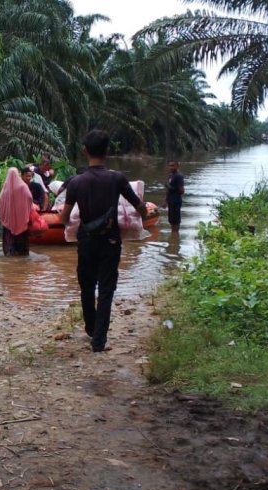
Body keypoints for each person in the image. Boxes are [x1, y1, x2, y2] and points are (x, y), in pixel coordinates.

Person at [61, 130, 146, 352]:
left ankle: (90, 327)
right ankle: (99, 340)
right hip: (110, 242)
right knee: (107, 289)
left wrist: (66, 223)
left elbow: (65, 216)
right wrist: (142, 214)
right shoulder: (117, 179)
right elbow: (138, 206)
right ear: (107, 151)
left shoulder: (76, 182)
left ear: (84, 151)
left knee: (86, 286)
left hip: (86, 242)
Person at [0, 167, 36, 256]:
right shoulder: (23, 186)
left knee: (9, 249)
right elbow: (30, 199)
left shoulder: (5, 188)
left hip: (8, 224)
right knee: (22, 251)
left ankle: (9, 258)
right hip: (21, 222)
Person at [165, 159, 185, 234]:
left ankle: (175, 235)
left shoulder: (179, 176)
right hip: (170, 200)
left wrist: (172, 188)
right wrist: (165, 201)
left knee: (176, 220)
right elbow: (168, 189)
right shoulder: (170, 175)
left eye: (173, 165)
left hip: (176, 200)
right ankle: (173, 235)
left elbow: (182, 191)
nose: (171, 167)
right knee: (171, 220)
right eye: (169, 166)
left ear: (177, 166)